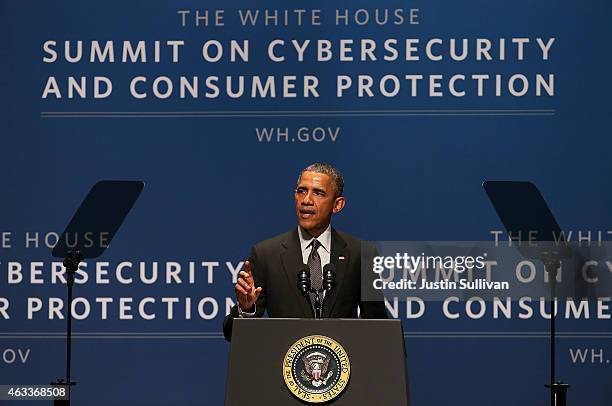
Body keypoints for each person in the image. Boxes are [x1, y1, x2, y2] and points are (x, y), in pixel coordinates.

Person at [223, 163, 387, 341]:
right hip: (284, 365)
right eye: (301, 191)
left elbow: (379, 328)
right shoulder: (266, 255)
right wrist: (246, 309)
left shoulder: (361, 253)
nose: (306, 200)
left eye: (318, 193)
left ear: (337, 205)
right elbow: (232, 333)